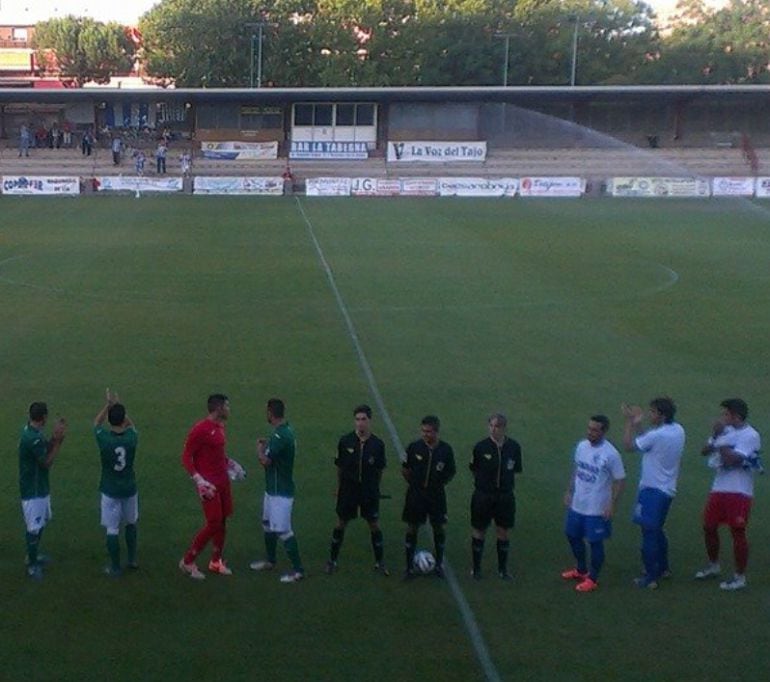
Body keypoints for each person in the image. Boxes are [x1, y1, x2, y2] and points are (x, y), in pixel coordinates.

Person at [695, 398, 762, 591]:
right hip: (719, 488)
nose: (722, 418)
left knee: (737, 531)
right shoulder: (724, 432)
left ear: (736, 416)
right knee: (708, 526)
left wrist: (721, 442)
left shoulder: (751, 435)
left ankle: (739, 576)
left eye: (726, 414)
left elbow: (733, 460)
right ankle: (713, 565)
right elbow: (704, 451)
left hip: (740, 491)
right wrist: (716, 436)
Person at [622, 397, 685, 589]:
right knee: (657, 529)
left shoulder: (657, 436)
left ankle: (650, 576)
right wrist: (640, 425)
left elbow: (629, 446)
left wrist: (630, 423)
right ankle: (663, 568)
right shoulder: (678, 430)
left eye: (652, 412)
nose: (650, 414)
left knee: (648, 532)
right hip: (667, 489)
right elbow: (648, 443)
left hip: (652, 490)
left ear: (662, 415)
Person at [562, 415, 625, 593]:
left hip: (596, 507)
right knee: (571, 535)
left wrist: (612, 504)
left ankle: (593, 578)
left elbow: (620, 480)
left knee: (595, 542)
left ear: (604, 431)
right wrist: (569, 491)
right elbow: (577, 469)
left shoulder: (611, 454)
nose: (590, 432)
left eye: (595, 430)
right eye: (589, 428)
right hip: (578, 503)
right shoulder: (582, 446)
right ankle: (581, 569)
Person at [325, 404, 388, 576]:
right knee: (341, 523)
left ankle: (379, 562)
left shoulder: (377, 444)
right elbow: (339, 467)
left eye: (363, 420)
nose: (360, 423)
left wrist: (376, 488)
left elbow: (380, 469)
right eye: (357, 419)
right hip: (349, 490)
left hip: (368, 491)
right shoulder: (345, 441)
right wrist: (339, 488)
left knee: (374, 524)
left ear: (369, 421)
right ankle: (332, 560)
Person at [250, 398, 305, 583]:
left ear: (270, 413)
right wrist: (268, 446)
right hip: (272, 490)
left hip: (280, 492)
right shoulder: (283, 432)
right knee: (267, 524)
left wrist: (259, 450)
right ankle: (270, 560)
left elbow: (266, 461)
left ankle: (298, 571)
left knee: (283, 531)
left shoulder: (281, 436)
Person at [179, 394, 234, 579]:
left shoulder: (220, 426)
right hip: (208, 485)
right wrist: (198, 479)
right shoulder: (200, 429)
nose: (229, 409)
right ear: (218, 408)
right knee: (213, 523)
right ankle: (187, 561)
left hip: (223, 481)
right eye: (227, 406)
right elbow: (186, 456)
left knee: (223, 520)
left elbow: (216, 453)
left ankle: (216, 561)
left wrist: (230, 464)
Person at [469, 413, 522, 581]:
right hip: (483, 496)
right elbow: (474, 468)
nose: (493, 429)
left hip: (505, 496)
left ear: (504, 428)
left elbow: (515, 469)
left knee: (503, 531)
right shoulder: (481, 447)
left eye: (497, 426)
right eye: (491, 426)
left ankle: (503, 569)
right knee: (479, 529)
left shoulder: (513, 447)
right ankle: (476, 569)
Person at [402, 415, 456, 578]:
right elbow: (405, 469)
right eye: (423, 431)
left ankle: (439, 565)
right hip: (416, 495)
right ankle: (409, 567)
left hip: (436, 496)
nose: (425, 434)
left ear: (436, 432)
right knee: (412, 527)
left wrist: (437, 484)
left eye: (429, 431)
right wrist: (415, 484)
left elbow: (450, 471)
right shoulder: (414, 447)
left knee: (438, 527)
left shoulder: (445, 450)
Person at [19, 402, 67, 580]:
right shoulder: (33, 438)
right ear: (44, 417)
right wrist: (59, 443)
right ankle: (31, 564)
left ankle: (33, 555)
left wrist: (54, 437)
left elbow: (44, 448)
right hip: (33, 491)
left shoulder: (32, 432)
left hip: (39, 488)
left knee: (40, 524)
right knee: (34, 528)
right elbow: (46, 462)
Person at [94, 389, 139, 577]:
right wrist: (119, 408)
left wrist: (109, 406)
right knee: (131, 523)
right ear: (122, 420)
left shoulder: (104, 438)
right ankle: (132, 559)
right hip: (129, 487)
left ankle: (115, 567)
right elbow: (132, 425)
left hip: (110, 489)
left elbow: (96, 423)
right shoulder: (131, 438)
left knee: (112, 529)